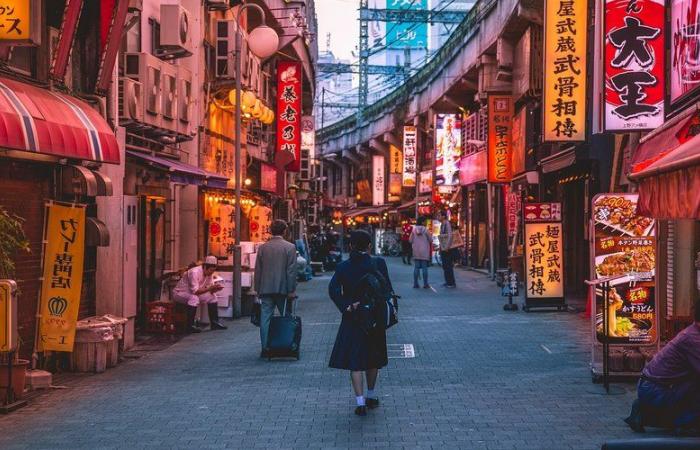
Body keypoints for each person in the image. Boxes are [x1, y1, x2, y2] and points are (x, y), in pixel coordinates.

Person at [328, 230, 393, 416]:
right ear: (369, 246)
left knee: (355, 361)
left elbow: (333, 290)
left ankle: (360, 402)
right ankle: (371, 395)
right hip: (374, 318)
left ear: (350, 246)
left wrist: (346, 305)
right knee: (373, 358)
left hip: (353, 318)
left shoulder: (343, 266)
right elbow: (387, 288)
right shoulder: (378, 263)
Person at [625, 299, 700, 432]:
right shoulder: (693, 339)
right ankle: (681, 422)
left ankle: (646, 414)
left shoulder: (693, 333)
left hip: (654, 386)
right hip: (655, 390)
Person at [254, 219, 298, 358]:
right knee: (286, 316)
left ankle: (265, 347)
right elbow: (291, 271)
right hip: (283, 289)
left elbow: (258, 270)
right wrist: (291, 290)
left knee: (265, 318)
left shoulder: (263, 247)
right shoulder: (289, 247)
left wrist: (257, 288)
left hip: (265, 288)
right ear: (284, 231)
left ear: (271, 231)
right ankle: (285, 343)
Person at [172, 255, 226, 333]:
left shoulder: (209, 274)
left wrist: (215, 289)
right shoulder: (194, 272)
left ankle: (214, 323)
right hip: (179, 293)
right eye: (210, 270)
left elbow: (208, 289)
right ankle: (189, 326)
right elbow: (195, 291)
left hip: (193, 294)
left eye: (213, 271)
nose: (211, 273)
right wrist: (210, 288)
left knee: (213, 297)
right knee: (194, 298)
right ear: (204, 267)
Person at [409, 217, 432, 289]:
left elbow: (410, 240)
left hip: (416, 250)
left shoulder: (414, 229)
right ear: (422, 222)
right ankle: (425, 284)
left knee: (416, 267)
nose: (425, 223)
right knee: (424, 267)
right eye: (425, 221)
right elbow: (430, 240)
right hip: (424, 251)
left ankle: (415, 284)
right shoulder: (426, 230)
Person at [438, 212, 456, 288]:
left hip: (447, 249)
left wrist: (447, 247)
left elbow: (450, 235)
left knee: (448, 265)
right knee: (445, 265)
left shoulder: (447, 224)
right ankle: (448, 281)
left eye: (439, 215)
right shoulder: (442, 224)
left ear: (443, 216)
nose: (438, 217)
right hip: (443, 247)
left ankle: (451, 283)